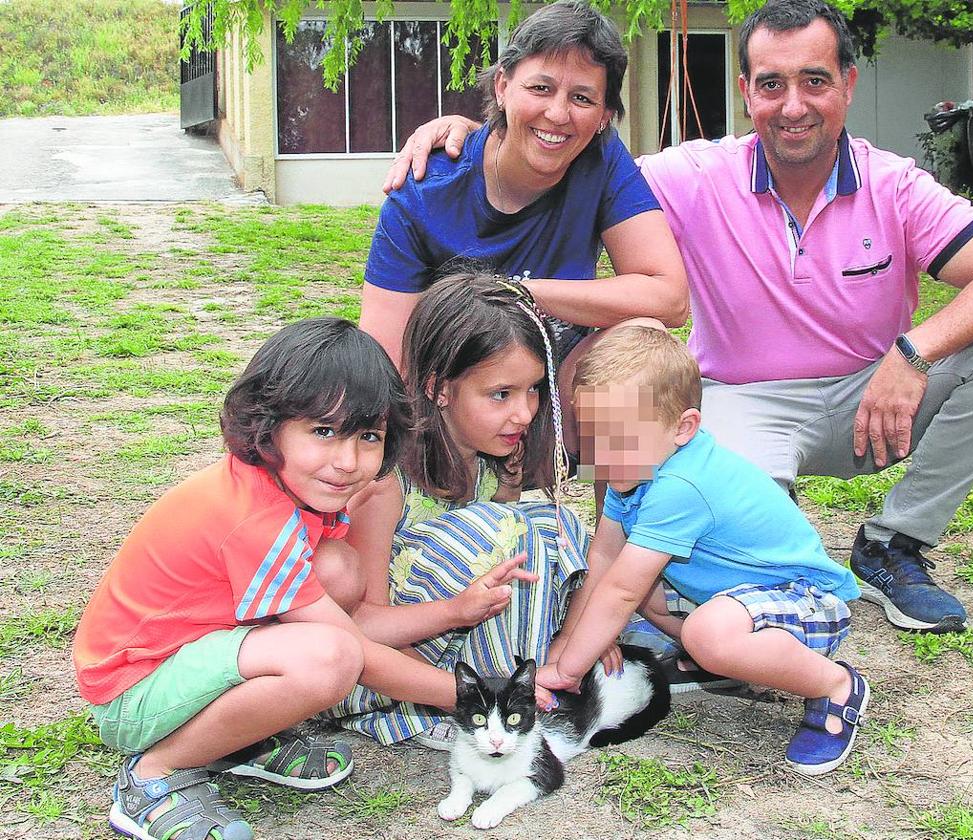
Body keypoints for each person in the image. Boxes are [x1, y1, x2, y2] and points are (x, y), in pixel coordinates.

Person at [383, 0, 973, 636]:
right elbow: (555, 139)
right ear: (745, 92)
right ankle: (629, 575)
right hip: (744, 409)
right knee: (674, 430)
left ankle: (894, 545)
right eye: (772, 84)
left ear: (848, 85)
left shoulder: (895, 185)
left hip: (875, 395)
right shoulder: (694, 175)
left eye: (814, 81)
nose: (793, 105)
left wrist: (914, 353)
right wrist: (473, 133)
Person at [73, 318, 463, 840]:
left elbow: (345, 603)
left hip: (189, 655)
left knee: (337, 570)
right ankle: (153, 778)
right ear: (267, 424)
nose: (347, 462)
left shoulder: (282, 489)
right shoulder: (257, 518)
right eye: (323, 432)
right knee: (330, 659)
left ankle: (241, 738)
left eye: (368, 436)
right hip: (133, 694)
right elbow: (352, 651)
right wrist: (462, 694)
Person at [360, 0, 687, 461]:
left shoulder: (600, 160)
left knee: (640, 345)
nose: (558, 114)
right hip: (451, 404)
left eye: (582, 98)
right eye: (540, 87)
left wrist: (521, 293)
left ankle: (612, 524)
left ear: (603, 117)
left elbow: (668, 298)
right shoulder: (423, 191)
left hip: (554, 394)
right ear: (502, 86)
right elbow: (384, 358)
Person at [536, 325, 867, 775]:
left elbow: (619, 592)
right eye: (590, 434)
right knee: (645, 593)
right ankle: (728, 663)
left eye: (619, 437)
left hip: (806, 601)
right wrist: (567, 648)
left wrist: (567, 672)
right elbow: (604, 563)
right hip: (736, 599)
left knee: (698, 629)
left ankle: (835, 685)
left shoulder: (680, 485)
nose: (602, 453)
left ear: (683, 428)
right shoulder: (631, 468)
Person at [333, 272, 597, 749]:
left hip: (459, 661)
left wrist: (586, 631)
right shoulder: (388, 482)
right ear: (439, 388)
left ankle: (519, 691)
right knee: (500, 528)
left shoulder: (495, 464)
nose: (524, 413)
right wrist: (454, 616)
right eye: (501, 394)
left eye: (534, 390)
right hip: (386, 673)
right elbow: (361, 622)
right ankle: (474, 707)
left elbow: (522, 581)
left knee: (552, 523)